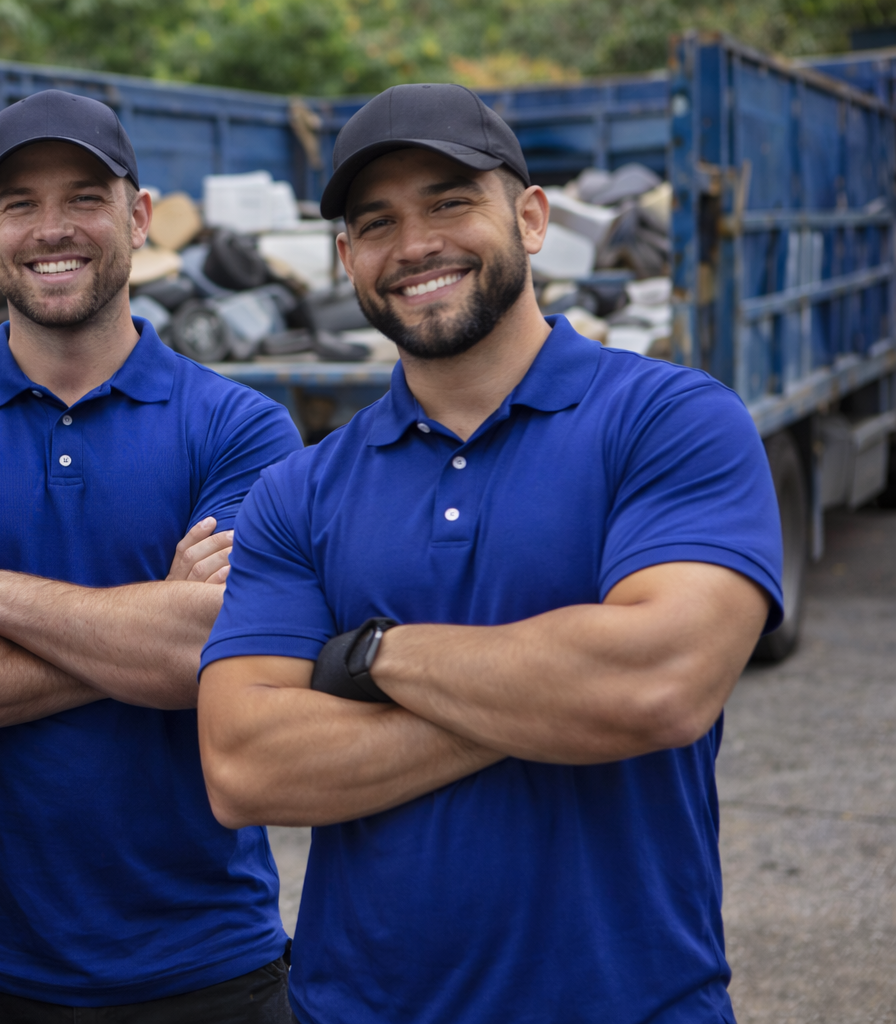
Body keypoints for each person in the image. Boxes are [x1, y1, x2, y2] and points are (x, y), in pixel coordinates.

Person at [197, 84, 784, 1024]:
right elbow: (244, 767)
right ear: (348, 259)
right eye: (377, 222)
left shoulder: (671, 421)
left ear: (532, 216)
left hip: (629, 1002)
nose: (416, 244)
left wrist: (369, 657)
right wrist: (554, 695)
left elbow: (659, 684)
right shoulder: (300, 490)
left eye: (450, 201)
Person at [0, 90, 303, 1021]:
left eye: (84, 197)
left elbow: (218, 650)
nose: (52, 228)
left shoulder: (242, 429)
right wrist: (152, 630)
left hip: (207, 958)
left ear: (138, 217)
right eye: (20, 203)